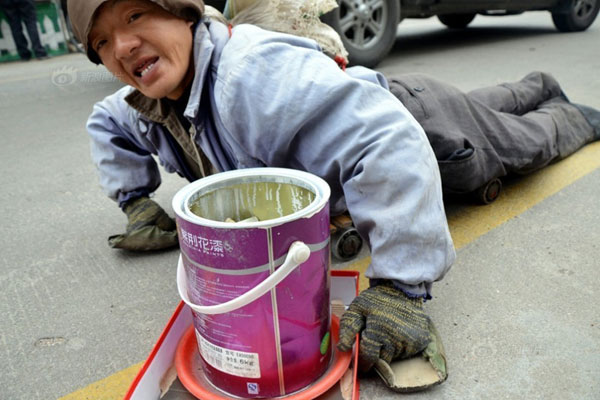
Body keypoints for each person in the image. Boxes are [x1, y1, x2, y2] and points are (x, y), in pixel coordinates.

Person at [66, 0, 599, 388]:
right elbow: (103, 121)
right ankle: (537, 84)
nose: (123, 46)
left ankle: (572, 113)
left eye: (134, 16)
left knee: (527, 142)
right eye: (102, 42)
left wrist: (399, 286)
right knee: (488, 104)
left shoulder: (250, 77)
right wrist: (136, 201)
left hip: (422, 135)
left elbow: (387, 140)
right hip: (390, 97)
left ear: (182, 11)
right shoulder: (144, 99)